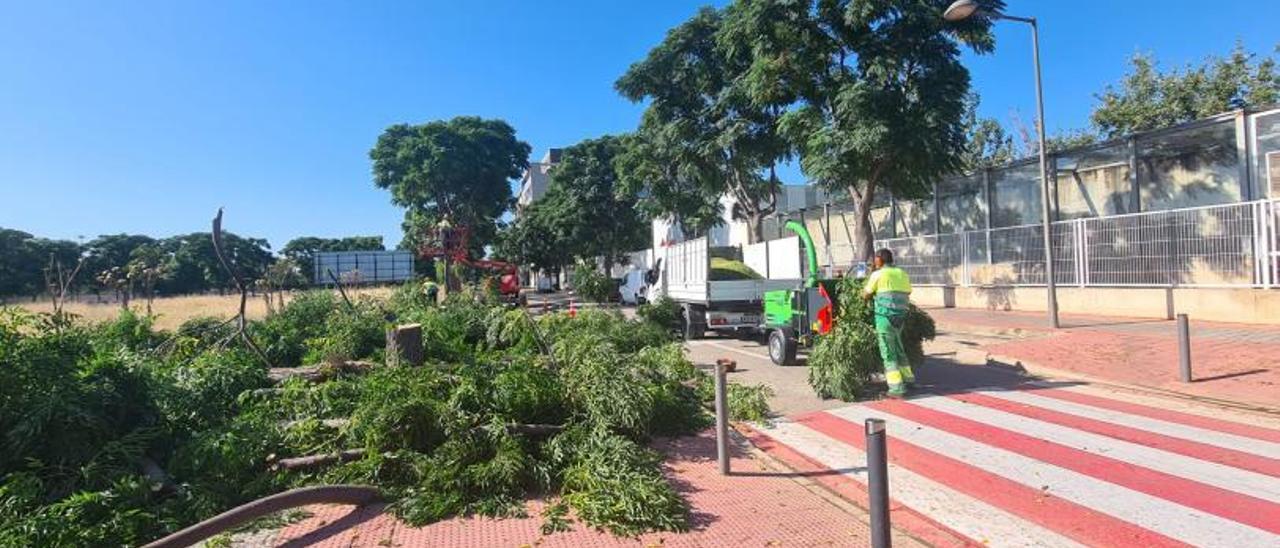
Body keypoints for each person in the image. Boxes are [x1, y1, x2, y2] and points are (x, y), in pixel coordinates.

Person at [862, 249, 915, 398]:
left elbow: (865, 294)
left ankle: (896, 388)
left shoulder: (878, 275)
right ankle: (909, 379)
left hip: (884, 318)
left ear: (880, 260)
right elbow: (908, 292)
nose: (874, 261)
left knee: (888, 353)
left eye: (875, 259)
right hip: (900, 317)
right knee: (899, 348)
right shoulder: (902, 273)